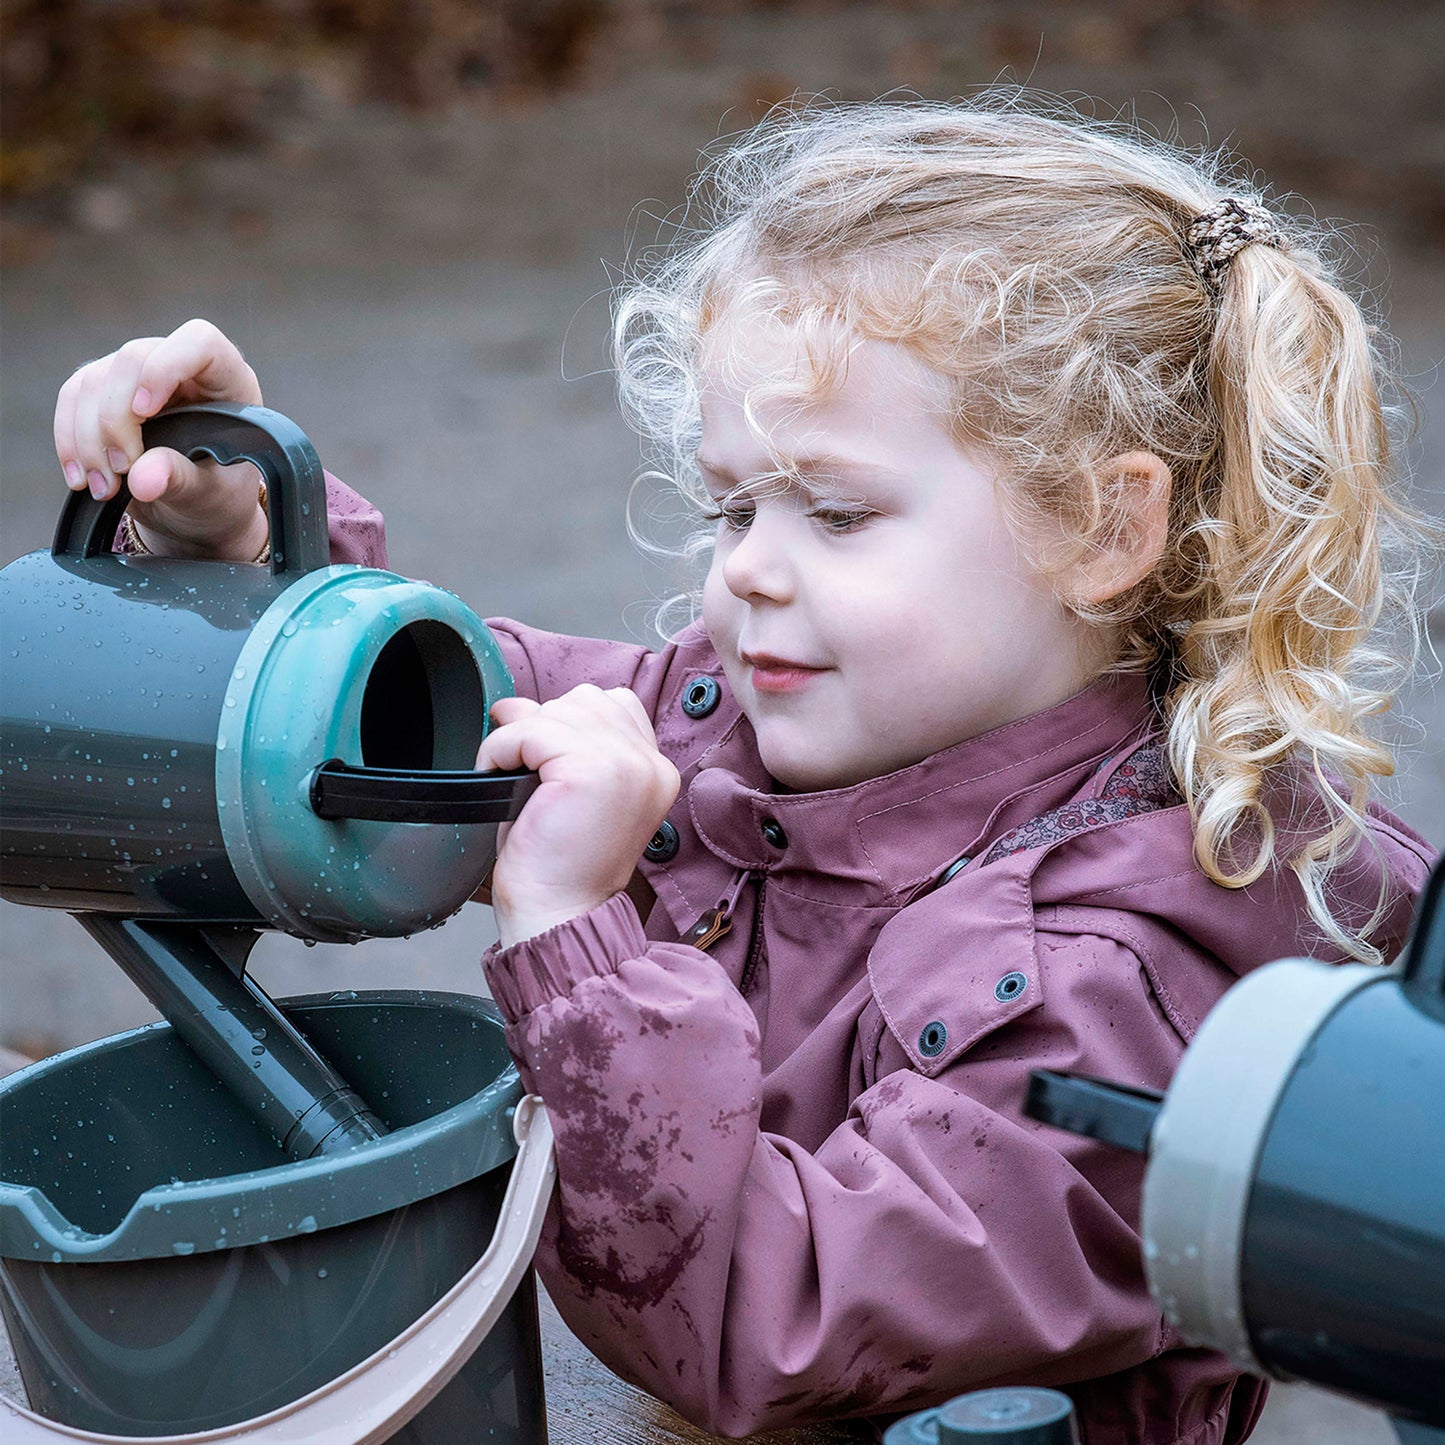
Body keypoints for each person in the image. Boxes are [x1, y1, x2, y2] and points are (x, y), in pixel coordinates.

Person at [53, 99, 1437, 1444]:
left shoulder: (1120, 978)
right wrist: (250, 549)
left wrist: (575, 936)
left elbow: (765, 1324)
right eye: (732, 503)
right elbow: (436, 720)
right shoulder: (752, 724)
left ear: (1100, 527)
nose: (747, 569)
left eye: (833, 511)